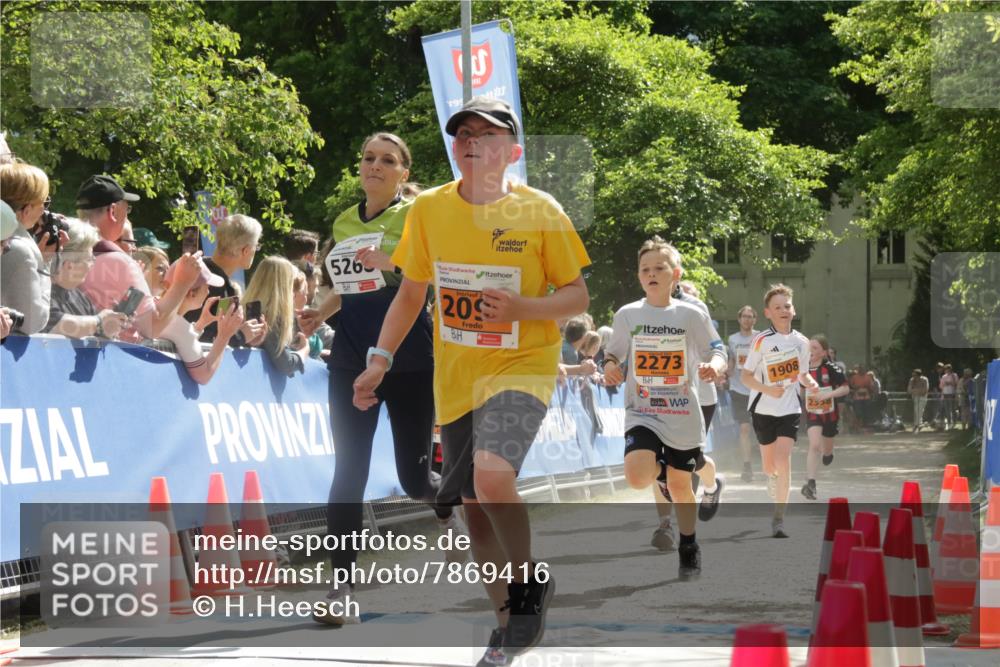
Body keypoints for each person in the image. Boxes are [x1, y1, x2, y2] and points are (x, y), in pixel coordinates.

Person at [350, 98, 590, 664]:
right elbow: (411, 293)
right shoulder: (429, 209)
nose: (473, 142)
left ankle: (529, 584)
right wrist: (380, 359)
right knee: (473, 508)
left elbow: (576, 296)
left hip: (523, 364)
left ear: (512, 151)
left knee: (491, 475)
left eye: (487, 134)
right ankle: (507, 628)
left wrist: (522, 308)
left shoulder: (540, 210)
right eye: (464, 134)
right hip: (458, 377)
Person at [300, 132, 465, 626]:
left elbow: (435, 273)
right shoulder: (344, 221)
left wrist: (391, 261)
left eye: (387, 160)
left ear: (402, 173)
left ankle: (447, 508)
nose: (375, 165)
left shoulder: (418, 215)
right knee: (348, 470)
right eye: (369, 157)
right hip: (352, 357)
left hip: (408, 357)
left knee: (415, 479)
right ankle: (341, 587)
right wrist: (320, 311)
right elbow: (348, 285)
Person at [603, 236, 727, 579]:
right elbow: (613, 353)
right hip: (643, 410)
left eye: (659, 268)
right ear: (638, 276)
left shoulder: (691, 314)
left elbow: (717, 349)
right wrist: (610, 366)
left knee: (680, 485)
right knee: (636, 476)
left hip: (681, 412)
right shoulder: (627, 315)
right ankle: (666, 472)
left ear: (676, 274)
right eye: (645, 269)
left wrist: (714, 366)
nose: (652, 274)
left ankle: (689, 545)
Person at [75, 174, 200, 343]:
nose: (127, 217)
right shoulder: (120, 262)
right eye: (127, 211)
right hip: (108, 356)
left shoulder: (61, 251)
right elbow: (152, 326)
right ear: (113, 211)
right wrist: (183, 282)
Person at [740, 284, 817, 538]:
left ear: (793, 310)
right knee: (769, 466)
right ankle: (771, 477)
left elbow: (802, 374)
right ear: (768, 313)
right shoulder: (761, 341)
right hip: (763, 409)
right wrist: (767, 389)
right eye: (777, 307)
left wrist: (811, 383)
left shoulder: (802, 342)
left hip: (789, 408)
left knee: (783, 461)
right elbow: (745, 377)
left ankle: (779, 518)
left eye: (787, 306)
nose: (783, 310)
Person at [156, 257, 244, 385]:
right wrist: (224, 336)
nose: (208, 292)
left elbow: (181, 340)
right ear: (191, 293)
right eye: (207, 286)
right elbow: (204, 375)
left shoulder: (151, 304)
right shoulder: (181, 329)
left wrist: (201, 324)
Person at [184, 213, 267, 346]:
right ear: (245, 250)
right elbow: (205, 339)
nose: (256, 250)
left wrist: (247, 339)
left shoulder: (203, 272)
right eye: (256, 246)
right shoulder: (209, 281)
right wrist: (241, 336)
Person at [0, 162, 63, 334]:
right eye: (44, 203)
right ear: (26, 210)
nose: (44, 211)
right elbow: (33, 322)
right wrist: (45, 264)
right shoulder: (19, 250)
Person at [43, 219, 129, 339]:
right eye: (89, 259)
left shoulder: (79, 297)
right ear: (69, 265)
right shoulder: (42, 293)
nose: (93, 262)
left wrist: (110, 326)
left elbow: (94, 330)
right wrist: (99, 322)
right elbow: (56, 324)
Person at [243, 256, 310, 376]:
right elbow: (286, 364)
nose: (294, 293)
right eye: (292, 286)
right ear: (284, 288)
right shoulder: (269, 318)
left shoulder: (244, 310)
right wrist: (304, 351)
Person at [800, 335, 849, 500]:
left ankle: (828, 453)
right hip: (812, 413)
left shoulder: (832, 368)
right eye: (809, 348)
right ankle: (811, 484)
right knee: (814, 445)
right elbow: (800, 390)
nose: (811, 351)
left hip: (830, 414)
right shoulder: (803, 368)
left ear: (824, 352)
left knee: (826, 452)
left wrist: (828, 395)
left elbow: (845, 388)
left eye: (815, 348)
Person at [727, 305, 760, 482]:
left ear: (755, 319)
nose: (747, 319)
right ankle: (747, 466)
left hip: (758, 390)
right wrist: (726, 371)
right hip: (738, 389)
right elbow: (732, 360)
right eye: (744, 316)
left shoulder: (760, 337)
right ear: (739, 319)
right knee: (744, 428)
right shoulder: (732, 339)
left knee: (761, 429)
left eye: (750, 316)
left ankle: (770, 465)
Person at [939, 364, 959, 429]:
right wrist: (944, 384)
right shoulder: (943, 376)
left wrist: (950, 383)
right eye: (945, 369)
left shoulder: (954, 375)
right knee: (947, 410)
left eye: (948, 369)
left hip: (952, 394)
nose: (946, 370)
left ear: (950, 369)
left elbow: (957, 384)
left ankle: (954, 422)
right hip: (945, 394)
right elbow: (940, 386)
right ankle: (949, 423)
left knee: (953, 409)